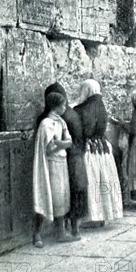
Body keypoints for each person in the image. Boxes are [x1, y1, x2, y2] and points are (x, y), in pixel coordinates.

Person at [73, 79, 123, 224]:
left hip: (89, 149)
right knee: (104, 180)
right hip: (102, 148)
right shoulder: (101, 106)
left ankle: (93, 217)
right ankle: (104, 215)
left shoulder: (81, 109)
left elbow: (82, 131)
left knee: (93, 181)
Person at [32, 92, 78, 247]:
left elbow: (69, 142)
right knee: (47, 195)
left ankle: (60, 232)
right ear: (55, 106)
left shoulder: (61, 122)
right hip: (50, 164)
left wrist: (61, 143)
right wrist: (60, 144)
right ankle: (37, 234)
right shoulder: (46, 123)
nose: (65, 107)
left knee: (61, 197)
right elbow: (49, 148)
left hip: (61, 162)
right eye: (63, 105)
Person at [44, 83, 87, 239]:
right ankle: (75, 229)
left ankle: (63, 230)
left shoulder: (58, 117)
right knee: (73, 194)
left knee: (63, 194)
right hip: (76, 157)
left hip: (67, 159)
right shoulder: (71, 113)